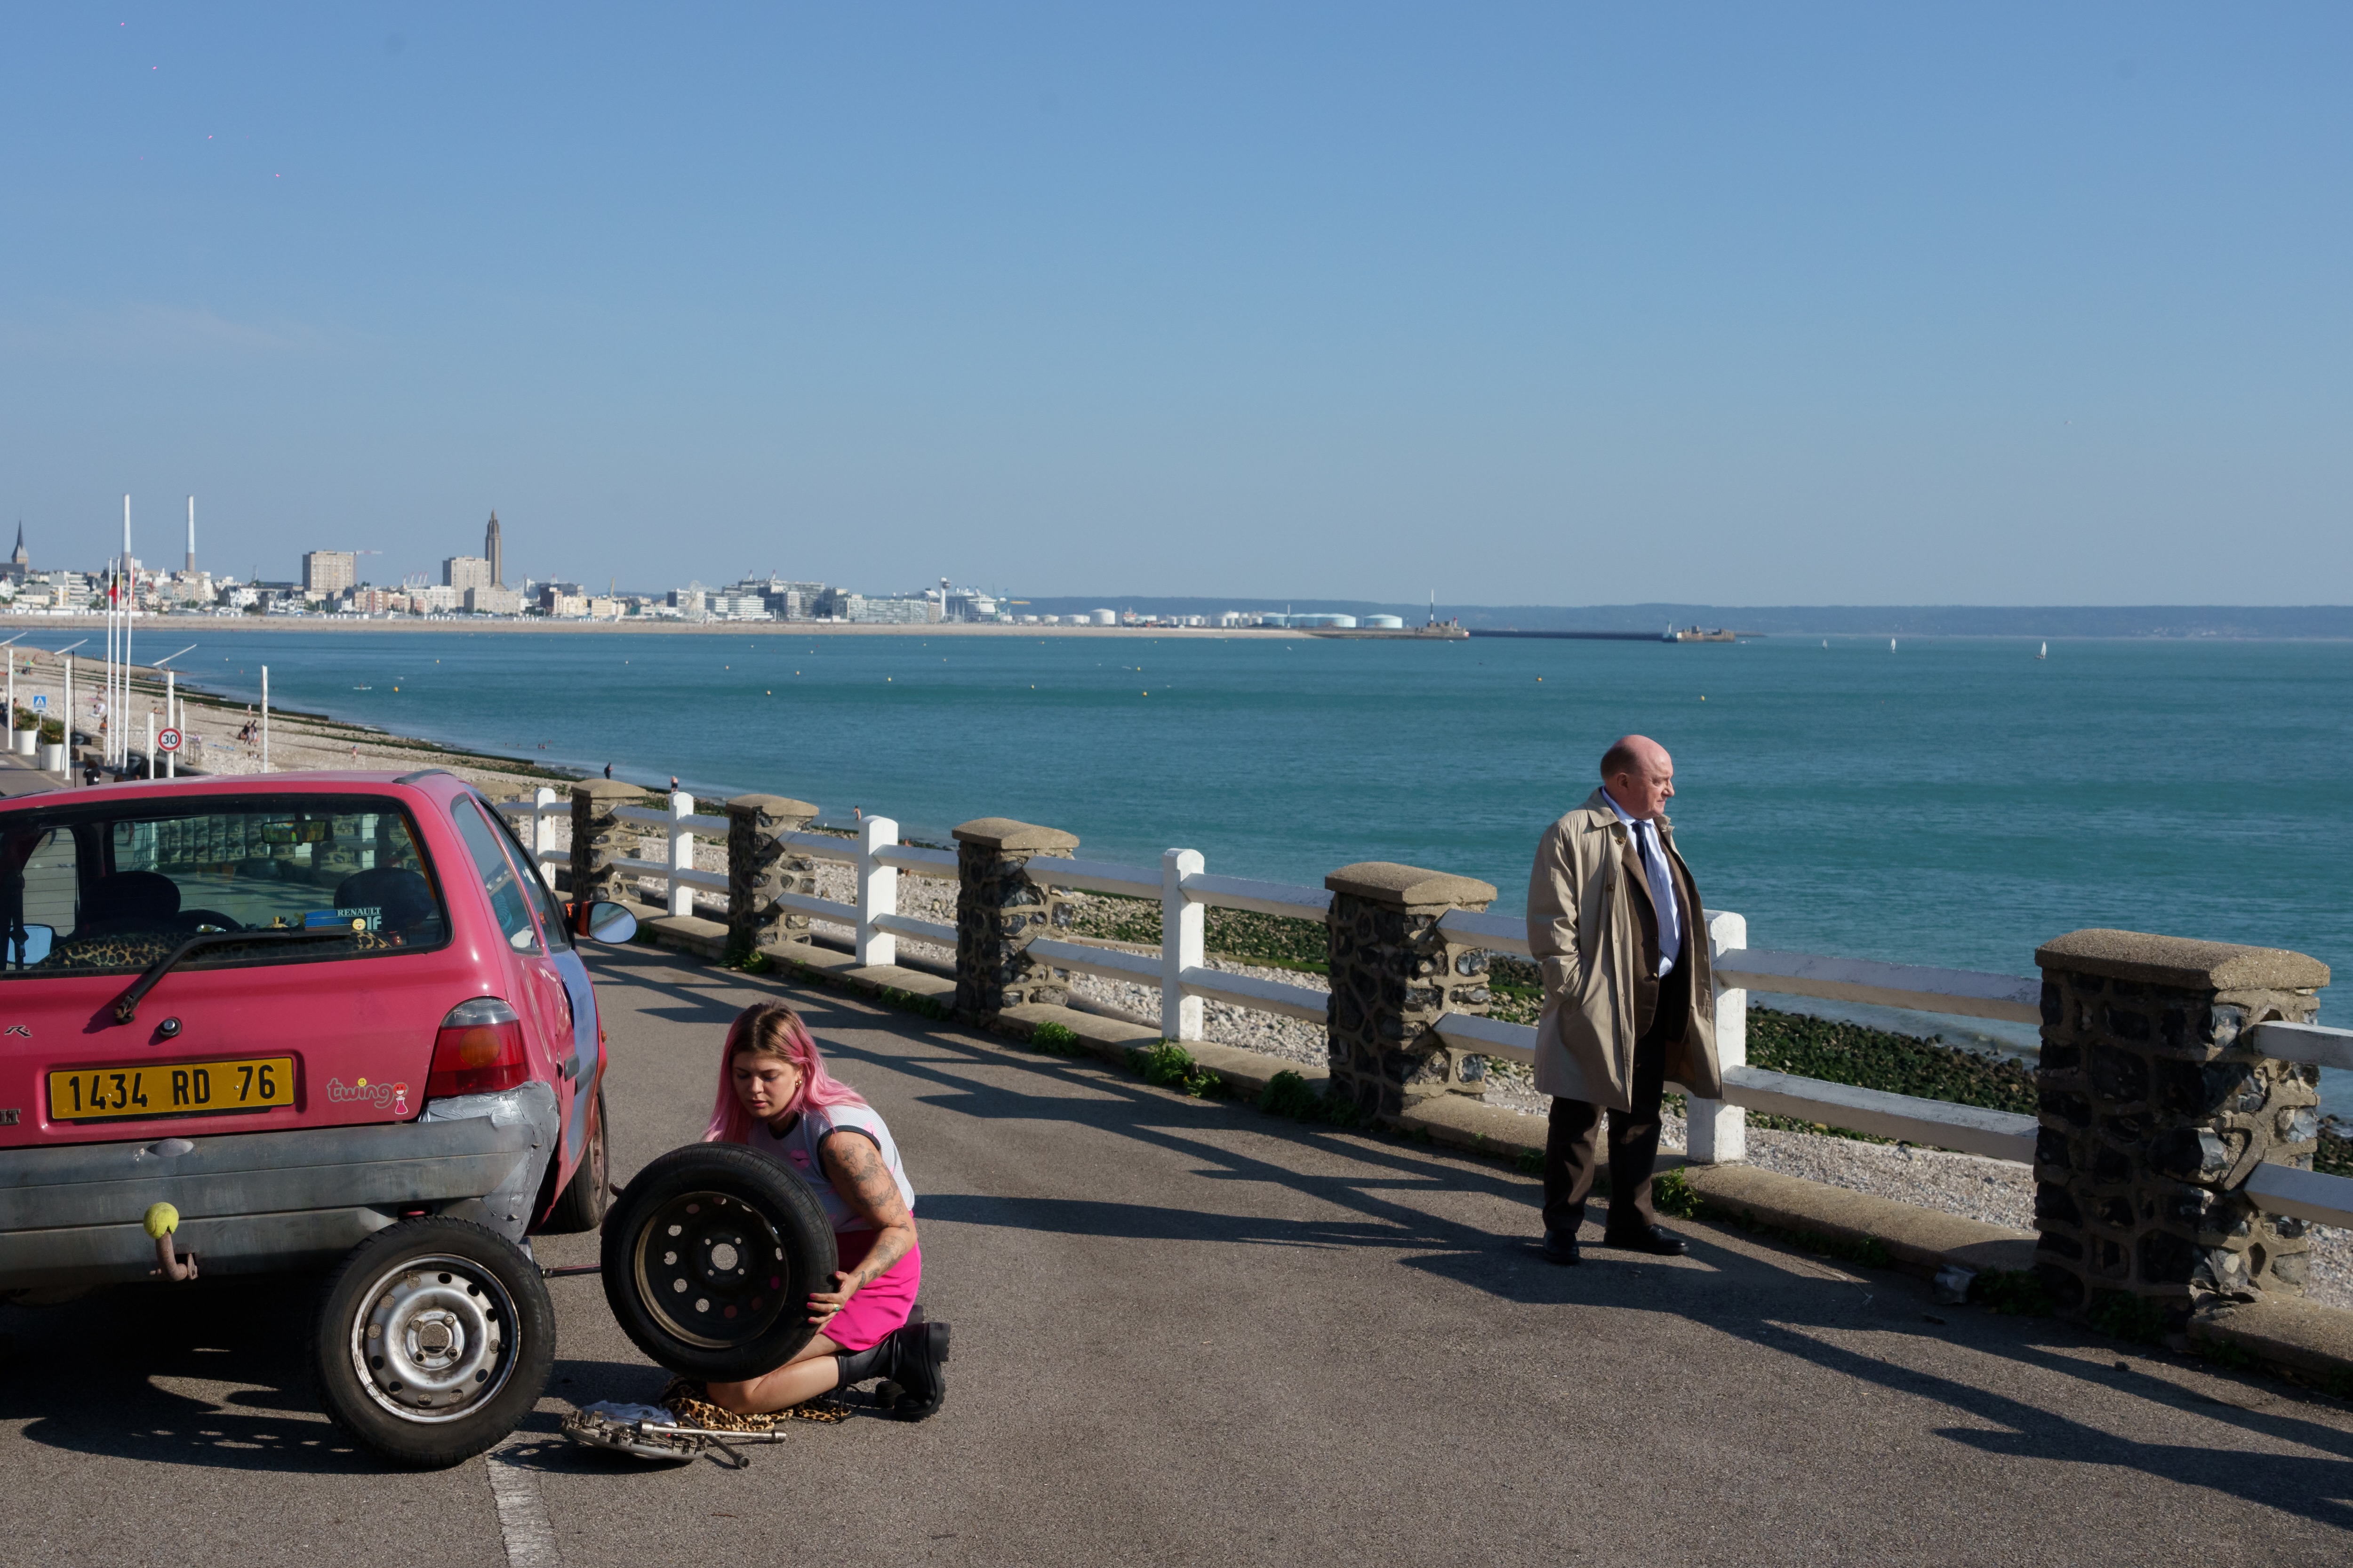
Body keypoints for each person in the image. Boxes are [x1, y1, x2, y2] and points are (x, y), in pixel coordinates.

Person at [1525, 735, 1722, 1265]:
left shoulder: (1657, 830)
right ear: (1623, 782)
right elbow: (1551, 921)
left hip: (1660, 993)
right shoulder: (1571, 832)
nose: (1671, 791)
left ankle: (1631, 1223)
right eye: (1661, 780)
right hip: (1599, 998)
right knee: (1577, 1112)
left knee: (1641, 1115)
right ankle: (1562, 1227)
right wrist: (1573, 990)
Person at [701, 1001, 950, 1417]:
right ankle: (881, 1336)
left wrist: (853, 1283)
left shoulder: (838, 1142)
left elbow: (901, 1232)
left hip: (865, 1280)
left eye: (769, 1076)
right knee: (709, 1357)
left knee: (734, 1393)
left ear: (801, 1070)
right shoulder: (750, 1122)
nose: (755, 1090)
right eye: (743, 1075)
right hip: (806, 1265)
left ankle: (890, 1351)